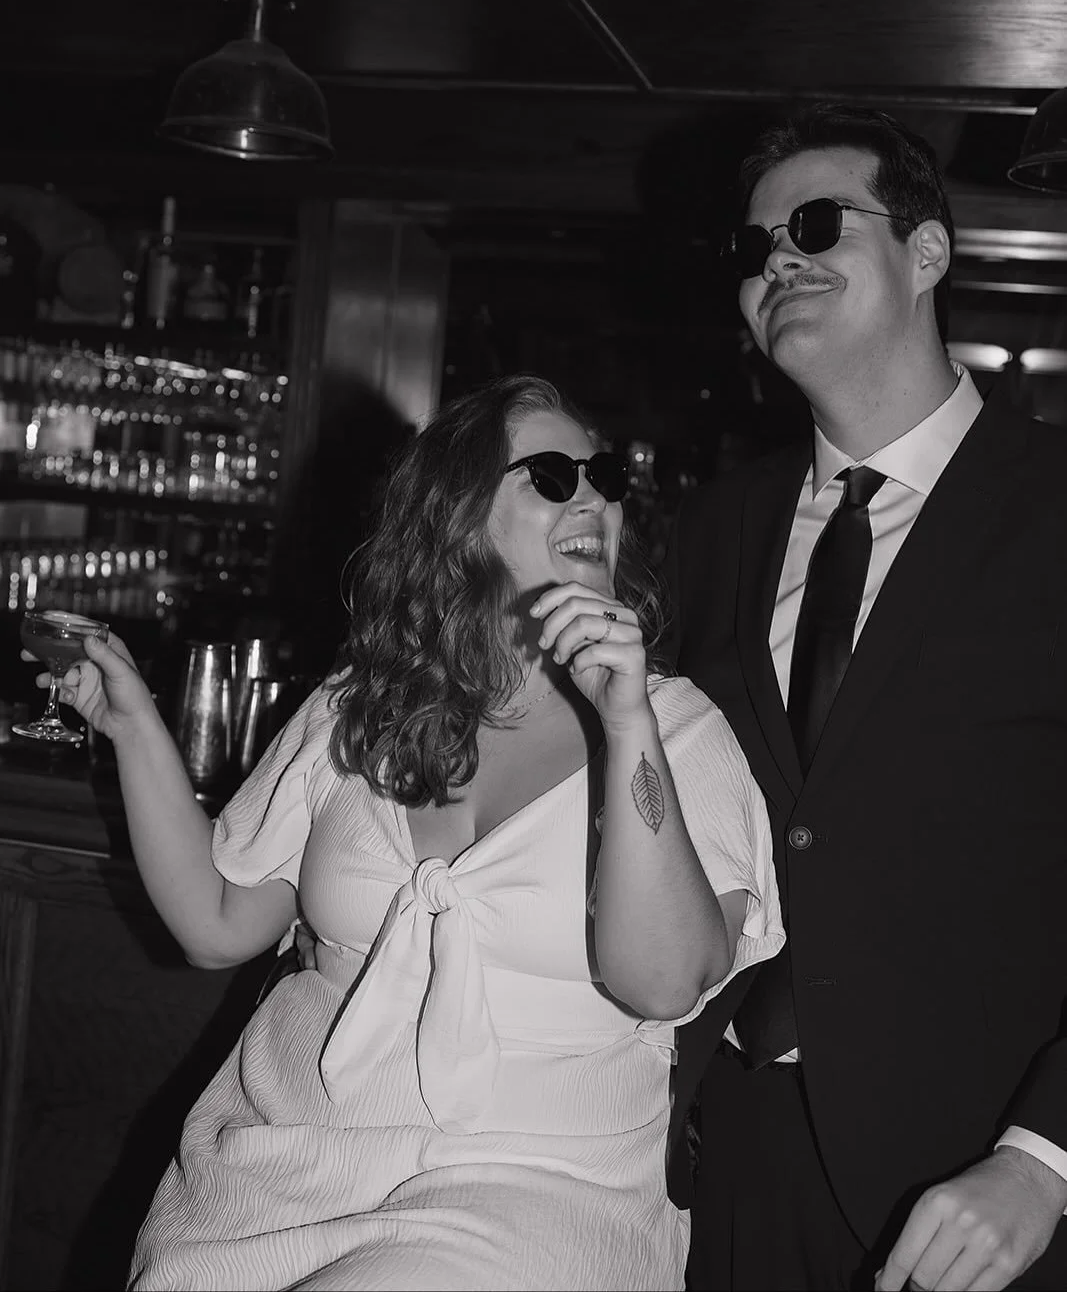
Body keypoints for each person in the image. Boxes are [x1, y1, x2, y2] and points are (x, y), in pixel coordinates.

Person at [32, 374, 782, 1292]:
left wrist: (626, 726)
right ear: (458, 518)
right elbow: (218, 922)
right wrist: (134, 726)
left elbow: (664, 982)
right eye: (550, 473)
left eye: (603, 473)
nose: (590, 494)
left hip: (537, 1188)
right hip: (283, 1161)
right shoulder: (361, 703)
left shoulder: (677, 728)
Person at [666, 102, 1067, 1291]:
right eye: (754, 248)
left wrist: (1043, 1160)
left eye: (816, 225)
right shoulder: (711, 530)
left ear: (927, 252)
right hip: (721, 1161)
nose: (777, 260)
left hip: (981, 1194)